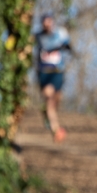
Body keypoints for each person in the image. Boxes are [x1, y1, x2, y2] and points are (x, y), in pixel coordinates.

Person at [34, 14, 72, 143]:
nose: (47, 25)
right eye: (45, 23)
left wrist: (64, 47)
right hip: (44, 72)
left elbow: (68, 45)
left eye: (49, 23)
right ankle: (56, 130)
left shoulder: (61, 33)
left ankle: (48, 115)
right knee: (49, 98)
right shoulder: (38, 36)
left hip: (58, 72)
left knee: (55, 101)